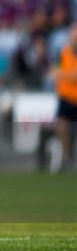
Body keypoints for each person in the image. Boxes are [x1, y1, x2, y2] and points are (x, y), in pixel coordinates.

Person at [51, 23, 77, 172]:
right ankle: (68, 156)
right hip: (66, 98)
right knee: (60, 125)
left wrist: (65, 75)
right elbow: (54, 73)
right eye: (73, 36)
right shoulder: (63, 53)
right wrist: (69, 76)